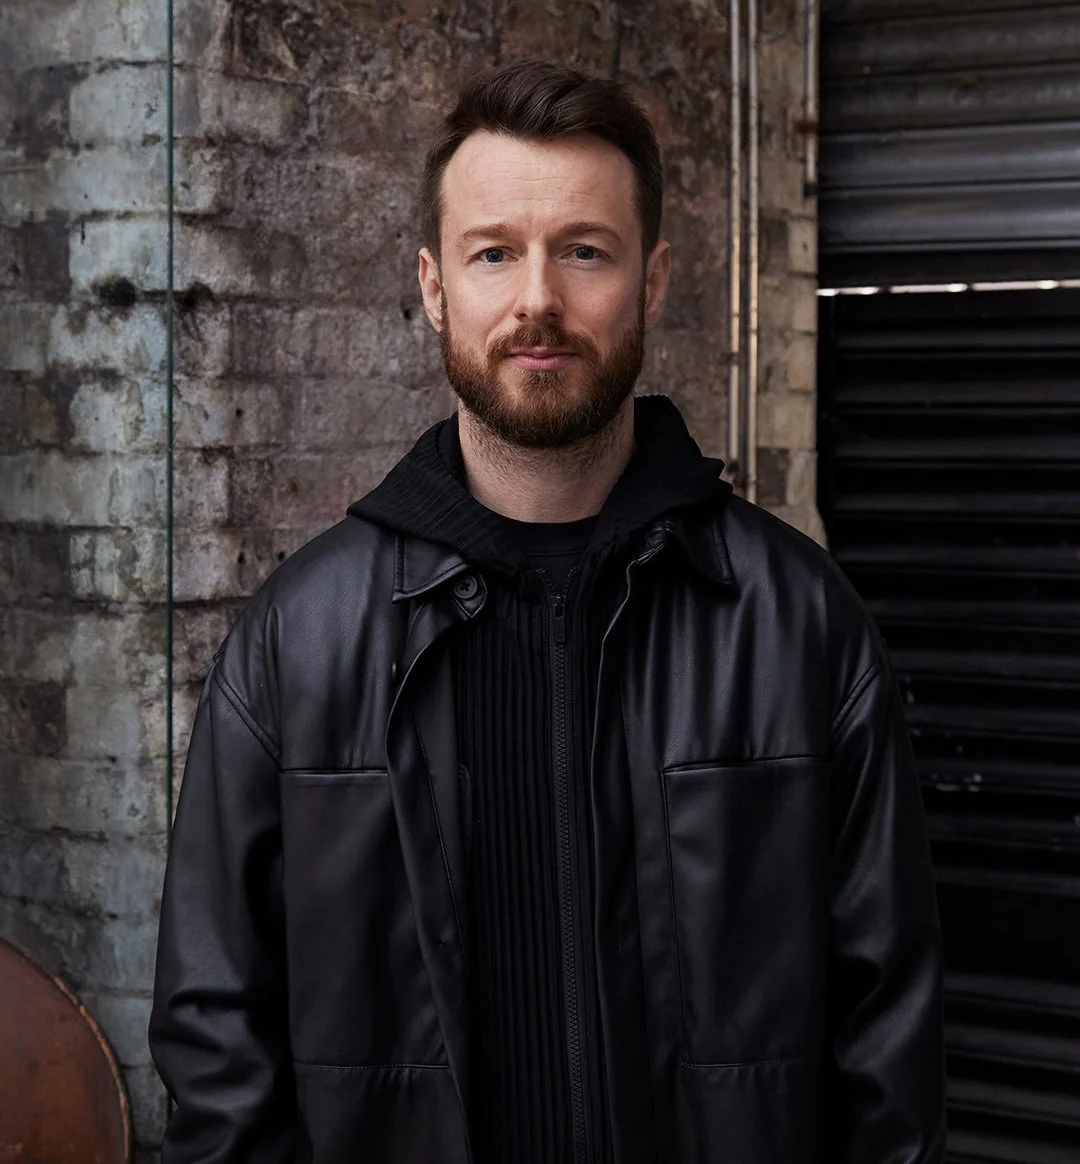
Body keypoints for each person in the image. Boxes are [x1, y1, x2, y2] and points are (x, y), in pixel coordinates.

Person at [150, 59, 946, 1164]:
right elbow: (217, 1043)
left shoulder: (797, 623)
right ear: (435, 286)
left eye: (583, 250)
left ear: (651, 282)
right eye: (493, 253)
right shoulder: (299, 640)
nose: (537, 300)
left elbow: (889, 1045)